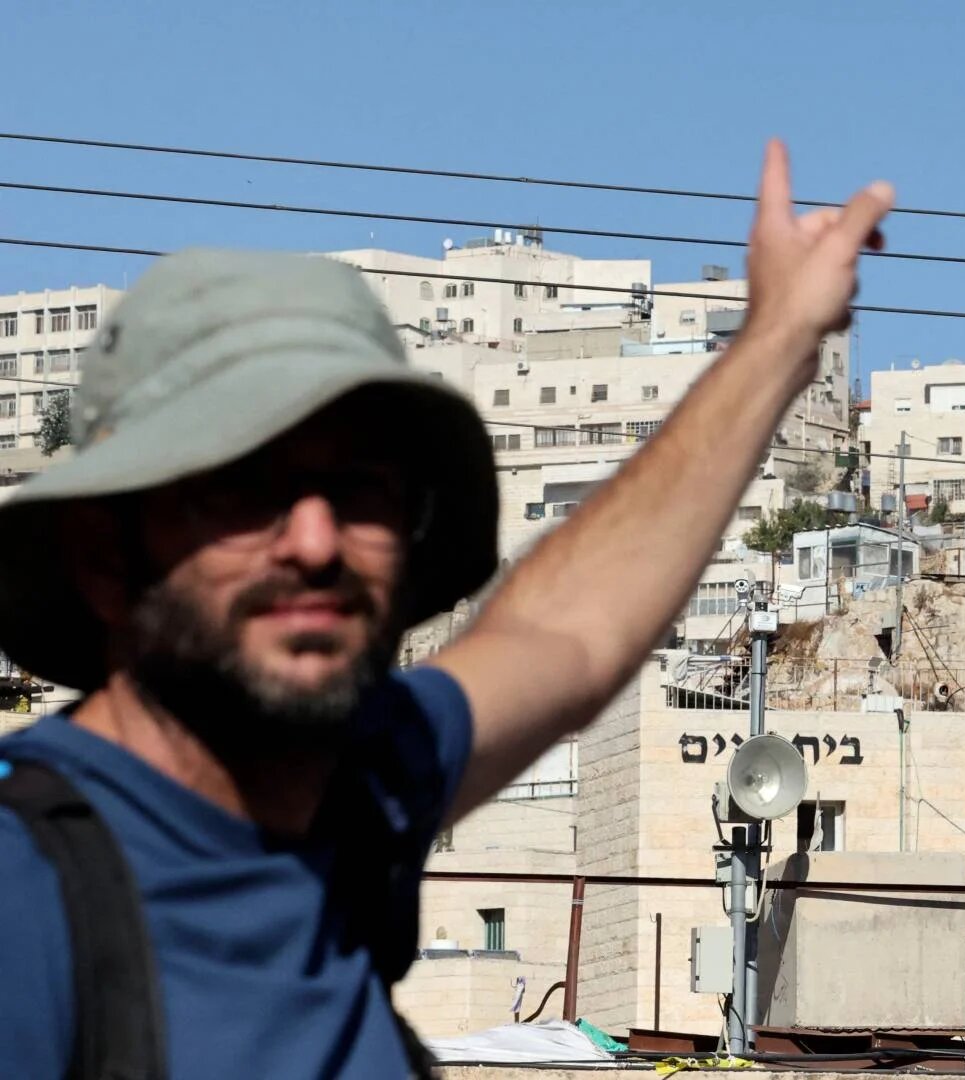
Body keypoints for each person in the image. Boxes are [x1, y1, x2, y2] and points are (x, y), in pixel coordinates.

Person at [0, 142, 891, 1078]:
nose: (314, 542)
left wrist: (780, 336)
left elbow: (565, 631)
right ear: (105, 561)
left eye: (362, 490)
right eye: (243, 491)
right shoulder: (26, 890)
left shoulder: (358, 790)